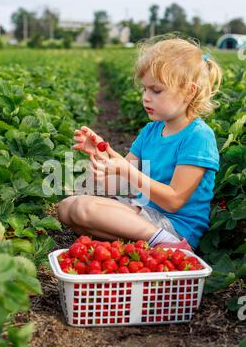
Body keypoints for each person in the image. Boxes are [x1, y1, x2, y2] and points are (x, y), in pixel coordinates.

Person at [57, 37, 222, 251]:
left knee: (83, 208)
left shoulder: (198, 137)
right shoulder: (150, 131)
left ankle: (170, 245)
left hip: (175, 226)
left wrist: (126, 170)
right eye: (144, 89)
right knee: (66, 207)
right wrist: (102, 157)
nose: (146, 97)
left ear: (189, 91)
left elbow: (174, 200)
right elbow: (120, 186)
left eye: (156, 90)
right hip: (143, 212)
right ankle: (144, 246)